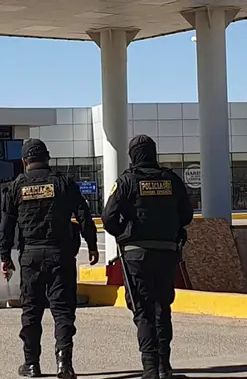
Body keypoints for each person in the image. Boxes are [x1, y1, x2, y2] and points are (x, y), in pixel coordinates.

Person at [0, 139, 99, 379]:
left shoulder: (16, 186)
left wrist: (5, 256)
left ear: (24, 161)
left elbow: (7, 227)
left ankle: (31, 364)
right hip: (60, 255)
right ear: (48, 158)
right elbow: (84, 215)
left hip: (30, 256)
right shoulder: (64, 183)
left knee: (31, 311)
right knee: (63, 311)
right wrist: (92, 244)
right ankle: (64, 364)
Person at [101, 135, 193, 379]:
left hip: (136, 255)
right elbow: (187, 214)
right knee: (162, 308)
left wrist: (125, 233)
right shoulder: (172, 180)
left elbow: (108, 218)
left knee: (143, 311)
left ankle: (150, 368)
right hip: (166, 253)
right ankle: (164, 366)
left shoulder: (126, 182)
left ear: (133, 156)